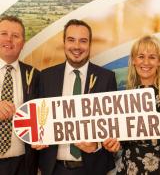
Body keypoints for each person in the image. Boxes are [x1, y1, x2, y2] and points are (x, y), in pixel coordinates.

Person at [35, 19, 117, 175]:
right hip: (54, 169)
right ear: (64, 43)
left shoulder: (106, 78)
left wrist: (98, 143)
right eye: (71, 40)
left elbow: (113, 124)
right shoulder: (46, 77)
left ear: (90, 44)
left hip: (93, 168)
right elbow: (39, 119)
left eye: (83, 41)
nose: (77, 47)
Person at [103, 35, 160, 175]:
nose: (146, 62)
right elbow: (120, 139)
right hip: (131, 167)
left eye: (152, 57)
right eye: (141, 56)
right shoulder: (124, 97)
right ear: (133, 61)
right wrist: (115, 145)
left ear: (159, 62)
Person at [0, 15, 39, 175]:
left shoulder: (35, 75)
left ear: (22, 43)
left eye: (15, 36)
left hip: (23, 164)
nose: (9, 39)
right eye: (3, 34)